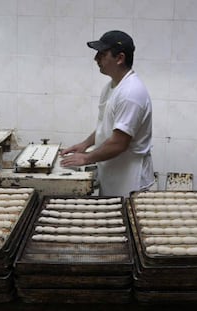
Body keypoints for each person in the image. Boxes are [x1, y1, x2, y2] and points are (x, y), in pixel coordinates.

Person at [60, 30, 154, 197]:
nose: (96, 59)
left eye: (102, 54)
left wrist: (86, 158)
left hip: (129, 182)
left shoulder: (131, 93)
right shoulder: (112, 86)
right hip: (113, 175)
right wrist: (85, 144)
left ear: (119, 58)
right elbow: (107, 125)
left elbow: (119, 143)